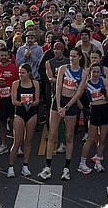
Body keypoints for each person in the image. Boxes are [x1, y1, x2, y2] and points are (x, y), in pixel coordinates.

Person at [39, 47, 88, 181]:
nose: (72, 58)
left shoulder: (83, 73)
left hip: (70, 105)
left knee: (69, 136)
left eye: (74, 56)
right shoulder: (63, 69)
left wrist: (66, 107)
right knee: (52, 135)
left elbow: (78, 93)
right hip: (58, 102)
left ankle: (66, 168)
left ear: (79, 58)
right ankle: (47, 167)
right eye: (70, 56)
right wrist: (59, 106)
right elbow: (58, 87)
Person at [78, 62, 108, 175]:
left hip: (105, 109)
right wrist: (84, 109)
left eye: (98, 72)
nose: (96, 74)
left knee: (102, 139)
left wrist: (106, 94)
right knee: (91, 139)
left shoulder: (105, 82)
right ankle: (82, 162)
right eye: (94, 72)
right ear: (90, 72)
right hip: (94, 111)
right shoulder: (86, 84)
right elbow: (76, 96)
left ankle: (98, 160)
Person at [8, 64, 39, 177]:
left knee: (28, 141)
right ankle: (11, 166)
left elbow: (37, 100)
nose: (21, 75)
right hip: (20, 113)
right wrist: (23, 103)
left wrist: (30, 103)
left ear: (29, 73)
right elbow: (13, 101)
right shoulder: (16, 84)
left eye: (23, 72)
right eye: (20, 72)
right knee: (17, 141)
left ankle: (25, 166)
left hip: (31, 113)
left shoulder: (35, 84)